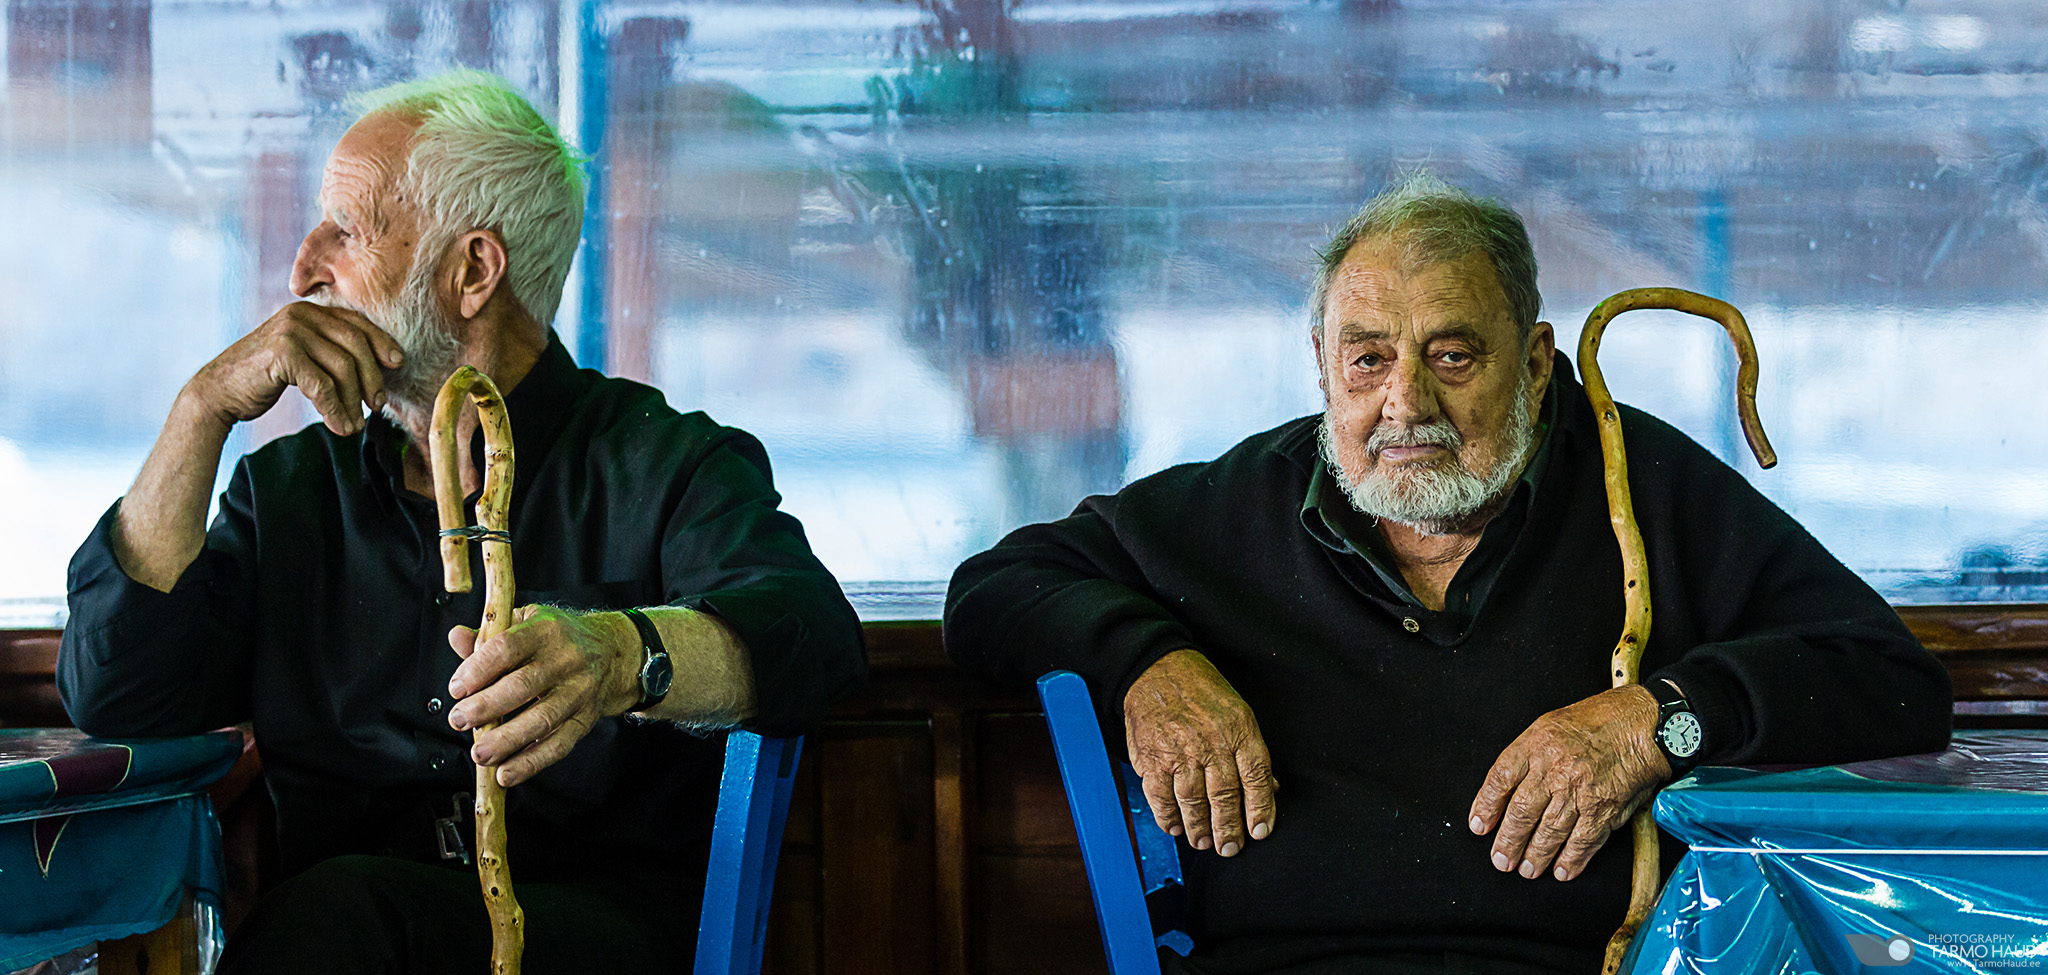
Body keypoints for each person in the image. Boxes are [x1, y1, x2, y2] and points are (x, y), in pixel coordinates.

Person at [944, 173, 1951, 974]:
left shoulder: (1635, 487)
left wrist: (1657, 721)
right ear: (1320, 363)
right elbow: (990, 592)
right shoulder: (1227, 511)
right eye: (1367, 358)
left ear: (1536, 360)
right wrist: (1145, 661)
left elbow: (1891, 683)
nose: (1402, 402)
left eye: (1452, 356)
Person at [58, 70, 865, 974]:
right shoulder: (287, 492)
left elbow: (810, 636)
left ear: (472, 270)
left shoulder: (660, 460)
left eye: (347, 229)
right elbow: (119, 691)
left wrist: (620, 655)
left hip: (591, 935)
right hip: (343, 941)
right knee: (340, 913)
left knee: (339, 914)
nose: (302, 268)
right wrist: (199, 409)